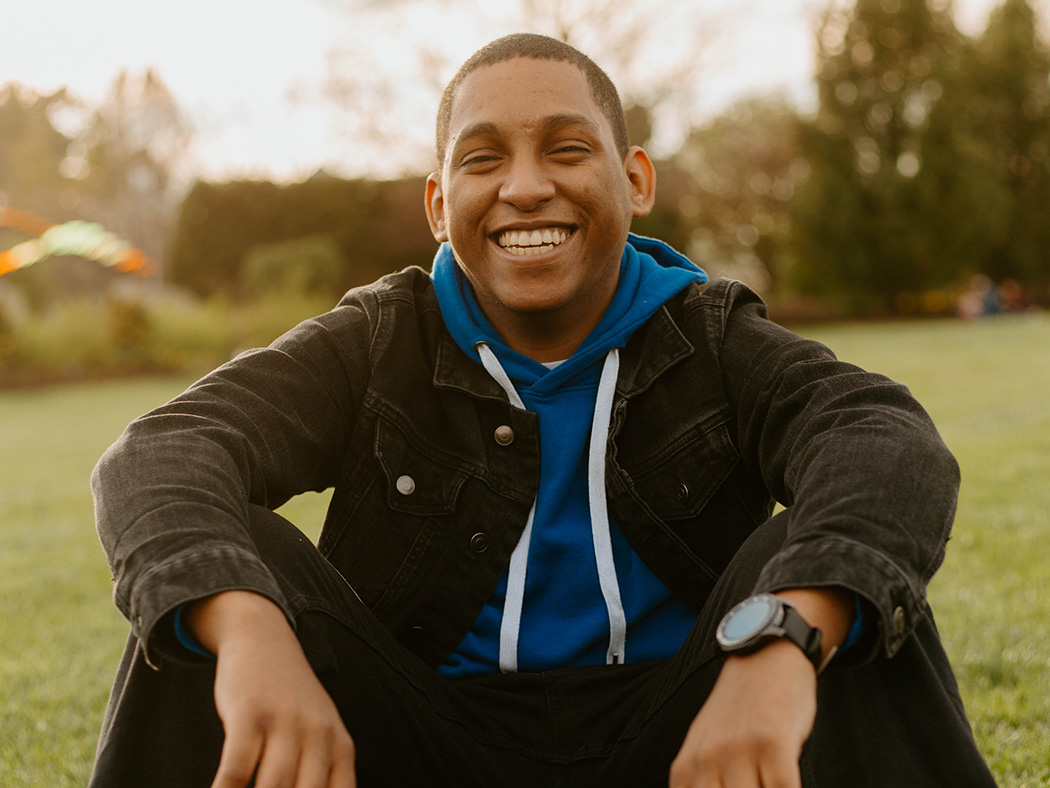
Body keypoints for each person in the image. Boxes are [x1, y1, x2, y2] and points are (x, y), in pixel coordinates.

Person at [89, 33, 996, 788]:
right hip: (417, 747)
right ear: (441, 206)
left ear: (635, 180)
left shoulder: (712, 338)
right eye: (484, 159)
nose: (526, 187)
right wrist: (249, 629)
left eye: (566, 148)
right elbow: (165, 451)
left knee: (833, 576)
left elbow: (884, 438)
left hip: (686, 747)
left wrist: (786, 637)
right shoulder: (379, 339)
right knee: (216, 577)